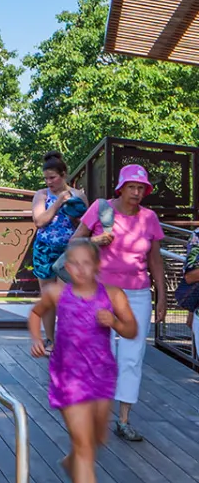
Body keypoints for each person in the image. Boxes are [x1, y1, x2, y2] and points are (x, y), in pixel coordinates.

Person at [29, 239, 137, 483]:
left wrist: (114, 322)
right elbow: (35, 313)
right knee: (85, 446)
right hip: (68, 377)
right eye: (73, 263)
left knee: (97, 438)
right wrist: (36, 339)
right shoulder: (56, 293)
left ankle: (71, 461)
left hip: (101, 375)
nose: (79, 269)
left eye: (86, 263)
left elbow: (132, 330)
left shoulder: (112, 295)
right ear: (66, 267)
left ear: (97, 265)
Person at [72, 164, 166, 442]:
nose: (137, 192)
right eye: (132, 187)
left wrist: (162, 295)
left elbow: (155, 260)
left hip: (138, 294)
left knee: (132, 357)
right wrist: (95, 240)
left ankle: (123, 420)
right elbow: (73, 243)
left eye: (141, 188)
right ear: (121, 188)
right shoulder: (101, 209)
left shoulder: (149, 218)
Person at [29, 151, 85, 286]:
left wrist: (73, 215)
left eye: (52, 178)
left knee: (64, 294)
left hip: (69, 251)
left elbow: (85, 227)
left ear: (63, 174)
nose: (48, 182)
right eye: (46, 178)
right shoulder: (41, 195)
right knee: (48, 294)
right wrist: (59, 201)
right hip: (45, 251)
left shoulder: (78, 195)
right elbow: (39, 222)